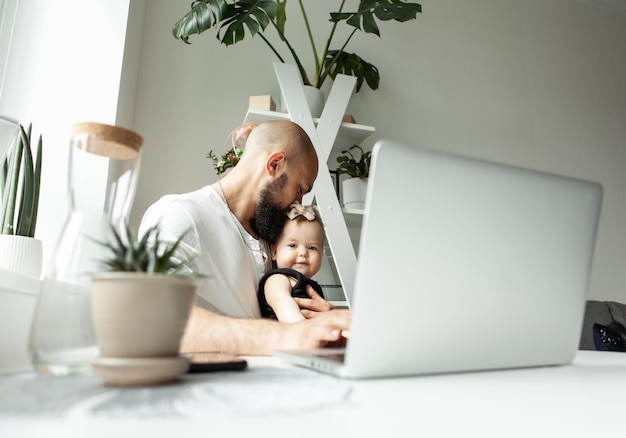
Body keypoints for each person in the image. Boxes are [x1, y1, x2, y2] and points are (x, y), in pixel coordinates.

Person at [139, 120, 350, 355]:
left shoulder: (269, 239)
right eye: (299, 189)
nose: (297, 204)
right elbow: (156, 322)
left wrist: (323, 321)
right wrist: (292, 336)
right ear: (275, 164)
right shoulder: (180, 214)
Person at [258, 203, 326, 323]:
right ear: (274, 251)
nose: (303, 253)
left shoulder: (311, 286)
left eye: (312, 248)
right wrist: (301, 328)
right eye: (293, 245)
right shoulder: (278, 279)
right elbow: (282, 303)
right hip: (290, 335)